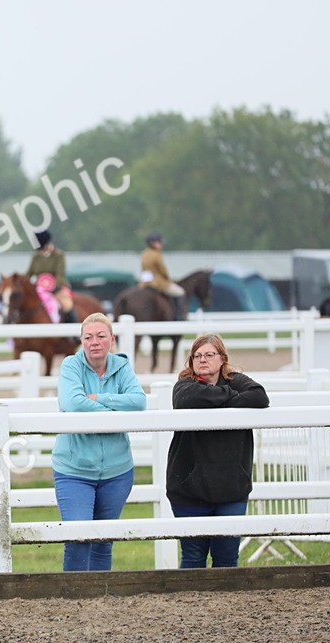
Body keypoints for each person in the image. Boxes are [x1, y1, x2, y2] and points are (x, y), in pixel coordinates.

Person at [167, 334, 269, 568]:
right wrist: (233, 399)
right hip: (189, 487)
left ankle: (228, 606)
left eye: (209, 355)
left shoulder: (237, 380)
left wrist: (218, 398)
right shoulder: (185, 385)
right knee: (192, 557)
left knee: (227, 558)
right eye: (197, 356)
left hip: (231, 487)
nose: (203, 360)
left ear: (222, 358)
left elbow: (260, 396)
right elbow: (185, 399)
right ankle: (190, 604)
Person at [53, 312, 146, 571]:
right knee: (78, 539)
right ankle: (74, 598)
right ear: (81, 341)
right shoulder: (71, 366)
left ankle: (100, 603)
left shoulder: (122, 366)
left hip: (117, 469)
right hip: (74, 469)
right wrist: (115, 413)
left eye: (101, 336)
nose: (95, 341)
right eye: (88, 337)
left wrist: (97, 398)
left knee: (104, 541)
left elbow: (138, 402)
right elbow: (72, 403)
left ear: (111, 340)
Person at [28, 230, 75, 324]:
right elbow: (29, 273)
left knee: (67, 305)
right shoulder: (36, 257)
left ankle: (72, 332)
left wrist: (53, 287)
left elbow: (60, 274)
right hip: (39, 290)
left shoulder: (58, 255)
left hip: (56, 288)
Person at [140, 232, 186, 320]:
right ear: (153, 243)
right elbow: (163, 270)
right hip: (158, 283)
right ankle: (179, 316)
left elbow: (144, 270)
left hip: (145, 282)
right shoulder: (157, 254)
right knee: (180, 292)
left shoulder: (144, 254)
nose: (161, 244)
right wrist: (168, 279)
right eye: (159, 242)